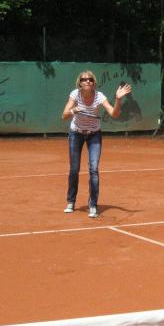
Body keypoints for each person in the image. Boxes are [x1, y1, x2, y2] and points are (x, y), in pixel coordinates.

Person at [61, 71, 132, 218]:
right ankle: (71, 202)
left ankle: (93, 205)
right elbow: (64, 116)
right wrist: (74, 110)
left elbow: (114, 114)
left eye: (90, 79)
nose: (87, 81)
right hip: (76, 133)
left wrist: (118, 100)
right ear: (79, 83)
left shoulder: (99, 96)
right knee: (74, 169)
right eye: (84, 79)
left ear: (94, 83)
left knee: (93, 169)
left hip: (94, 134)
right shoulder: (75, 94)